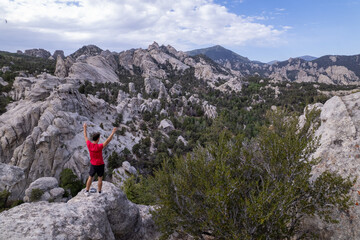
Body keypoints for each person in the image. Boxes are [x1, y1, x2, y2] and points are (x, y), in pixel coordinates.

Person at [83, 123, 117, 196]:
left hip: (93, 164)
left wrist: (85, 127)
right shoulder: (99, 146)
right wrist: (113, 132)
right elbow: (108, 141)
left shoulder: (89, 144)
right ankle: (99, 192)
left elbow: (85, 136)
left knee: (90, 177)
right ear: (98, 139)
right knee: (100, 178)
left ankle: (86, 191)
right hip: (100, 164)